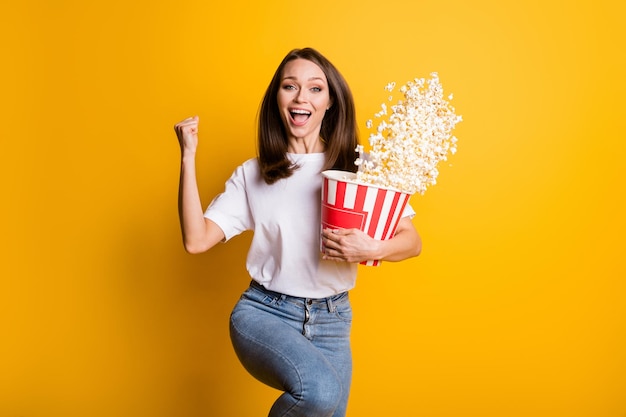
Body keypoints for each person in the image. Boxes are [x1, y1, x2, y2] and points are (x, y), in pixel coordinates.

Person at [174, 47, 421, 417]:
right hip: (265, 313)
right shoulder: (255, 173)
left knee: (328, 406)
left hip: (333, 319)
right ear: (278, 99)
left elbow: (412, 241)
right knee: (319, 391)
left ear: (330, 102)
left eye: (315, 89)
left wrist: (372, 246)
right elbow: (196, 239)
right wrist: (188, 155)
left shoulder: (358, 170)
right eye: (290, 87)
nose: (301, 97)